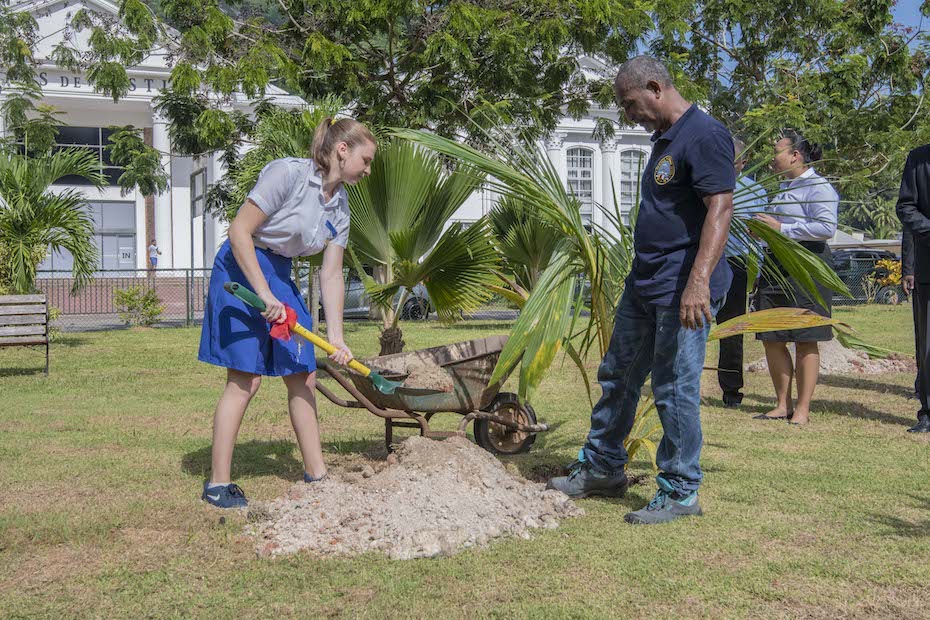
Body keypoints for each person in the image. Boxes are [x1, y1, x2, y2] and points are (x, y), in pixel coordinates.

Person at [547, 56, 735, 525]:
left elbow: (720, 209)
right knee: (619, 375)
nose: (629, 114)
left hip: (682, 289)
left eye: (630, 104)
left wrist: (698, 282)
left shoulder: (704, 134)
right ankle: (603, 467)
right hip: (646, 282)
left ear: (655, 87)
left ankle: (680, 491)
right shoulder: (664, 141)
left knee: (673, 388)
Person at [197, 117, 377, 508]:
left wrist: (337, 338)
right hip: (241, 269)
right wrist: (263, 295)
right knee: (245, 380)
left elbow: (330, 274)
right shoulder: (287, 174)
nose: (367, 169)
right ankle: (217, 485)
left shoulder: (341, 205)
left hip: (280, 274)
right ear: (342, 150)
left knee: (303, 374)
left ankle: (318, 475)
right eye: (365, 160)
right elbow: (239, 231)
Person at [753, 130, 838, 427]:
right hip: (776, 265)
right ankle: (781, 404)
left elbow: (826, 227)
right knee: (771, 336)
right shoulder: (782, 188)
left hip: (807, 265)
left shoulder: (818, 186)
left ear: (795, 155)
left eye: (776, 151)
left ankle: (802, 408)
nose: (771, 158)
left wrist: (781, 229)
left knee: (805, 338)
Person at [716, 137, 768, 408]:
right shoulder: (706, 184)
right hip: (707, 261)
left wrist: (756, 270)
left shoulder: (755, 191)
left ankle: (731, 391)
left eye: (732, 160)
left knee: (732, 329)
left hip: (737, 264)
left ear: (743, 163)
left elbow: (760, 235)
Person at [895, 143, 930, 433]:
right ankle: (927, 413)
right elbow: (905, 206)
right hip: (928, 266)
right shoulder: (918, 159)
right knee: (927, 345)